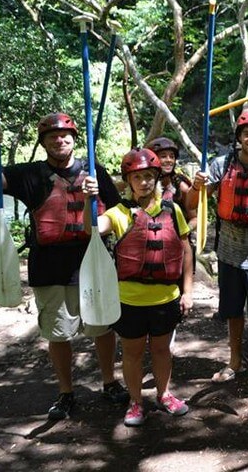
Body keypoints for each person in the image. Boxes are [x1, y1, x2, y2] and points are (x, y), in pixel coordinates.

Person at [0, 113, 128, 420]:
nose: (59, 141)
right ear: (44, 143)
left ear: (73, 138)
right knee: (58, 334)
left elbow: (116, 214)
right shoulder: (31, 174)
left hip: (91, 259)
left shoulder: (93, 172)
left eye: (64, 136)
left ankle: (109, 382)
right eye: (52, 138)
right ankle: (66, 393)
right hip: (49, 265)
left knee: (101, 328)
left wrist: (95, 198)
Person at [82, 148, 193, 427]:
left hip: (166, 297)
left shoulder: (173, 210)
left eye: (149, 176)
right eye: (138, 177)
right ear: (128, 181)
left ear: (156, 179)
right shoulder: (119, 213)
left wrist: (188, 291)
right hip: (129, 300)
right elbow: (91, 228)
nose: (144, 182)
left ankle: (164, 394)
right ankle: (135, 401)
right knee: (132, 353)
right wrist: (88, 198)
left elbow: (185, 250)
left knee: (161, 350)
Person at [189, 109, 248, 382]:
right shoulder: (221, 164)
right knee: (232, 310)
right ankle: (234, 361)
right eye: (247, 133)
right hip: (229, 251)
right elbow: (195, 203)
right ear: (239, 137)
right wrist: (198, 186)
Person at [144, 136, 195, 225]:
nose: (169, 160)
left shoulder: (180, 186)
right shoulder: (143, 184)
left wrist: (184, 232)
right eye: (163, 156)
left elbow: (195, 218)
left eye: (172, 157)